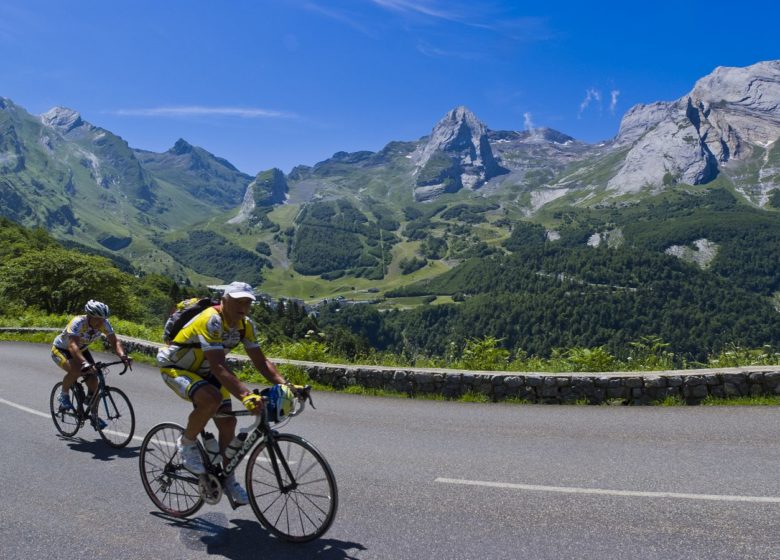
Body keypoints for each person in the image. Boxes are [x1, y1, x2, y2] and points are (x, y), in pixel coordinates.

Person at [157, 281, 288, 505]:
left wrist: (286, 385)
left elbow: (261, 361)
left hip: (208, 372)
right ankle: (186, 443)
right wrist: (246, 395)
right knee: (211, 399)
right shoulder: (211, 320)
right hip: (177, 367)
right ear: (225, 300)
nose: (243, 307)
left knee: (227, 423)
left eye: (247, 303)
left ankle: (228, 479)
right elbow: (218, 366)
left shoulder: (245, 325)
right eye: (238, 301)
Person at [51, 300, 133, 429]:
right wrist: (84, 363)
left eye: (103, 319)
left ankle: (93, 414)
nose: (101, 322)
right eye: (98, 319)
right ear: (89, 316)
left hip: (82, 349)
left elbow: (115, 342)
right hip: (62, 349)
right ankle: (64, 394)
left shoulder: (104, 324)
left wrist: (123, 355)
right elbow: (72, 346)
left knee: (95, 377)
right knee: (77, 370)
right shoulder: (78, 322)